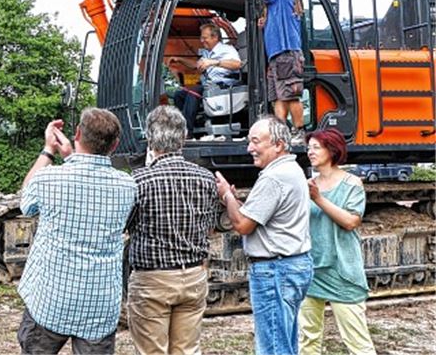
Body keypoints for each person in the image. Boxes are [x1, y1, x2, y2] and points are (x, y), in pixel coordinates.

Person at [17, 108, 136, 354]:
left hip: (50, 299)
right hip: (99, 304)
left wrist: (48, 150)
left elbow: (26, 203)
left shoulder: (49, 179)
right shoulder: (128, 185)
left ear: (78, 133)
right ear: (115, 145)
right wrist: (71, 156)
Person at [214, 116, 312, 355]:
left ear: (278, 144)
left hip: (275, 270)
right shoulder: (291, 169)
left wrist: (227, 195)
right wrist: (236, 202)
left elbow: (243, 225)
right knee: (285, 341)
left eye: (256, 141)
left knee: (274, 347)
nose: (250, 148)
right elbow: (258, 216)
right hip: (291, 265)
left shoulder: (273, 177)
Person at [126, 105, 219, 355]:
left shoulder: (139, 180)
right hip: (193, 276)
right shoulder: (206, 177)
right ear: (184, 136)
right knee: (187, 350)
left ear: (149, 137)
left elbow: (126, 226)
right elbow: (209, 227)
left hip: (152, 280)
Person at [298, 129, 376, 355]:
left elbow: (351, 221)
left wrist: (318, 199)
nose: (310, 152)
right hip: (312, 269)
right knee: (308, 339)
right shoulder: (308, 184)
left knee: (357, 341)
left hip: (342, 270)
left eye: (316, 147)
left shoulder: (352, 183)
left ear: (332, 150)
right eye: (309, 147)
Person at [225, 0, 307, 145]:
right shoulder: (281, 2)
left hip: (287, 54)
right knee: (277, 96)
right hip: (277, 57)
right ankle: (282, 132)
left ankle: (300, 132)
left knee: (291, 95)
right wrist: (265, 22)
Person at [169, 23, 242, 135]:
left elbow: (237, 64)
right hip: (208, 86)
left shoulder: (226, 49)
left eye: (204, 37)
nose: (202, 40)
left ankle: (187, 131)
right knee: (179, 94)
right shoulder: (208, 53)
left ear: (215, 37)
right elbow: (196, 65)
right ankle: (183, 124)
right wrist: (179, 59)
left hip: (222, 85)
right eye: (201, 37)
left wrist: (215, 62)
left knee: (194, 92)